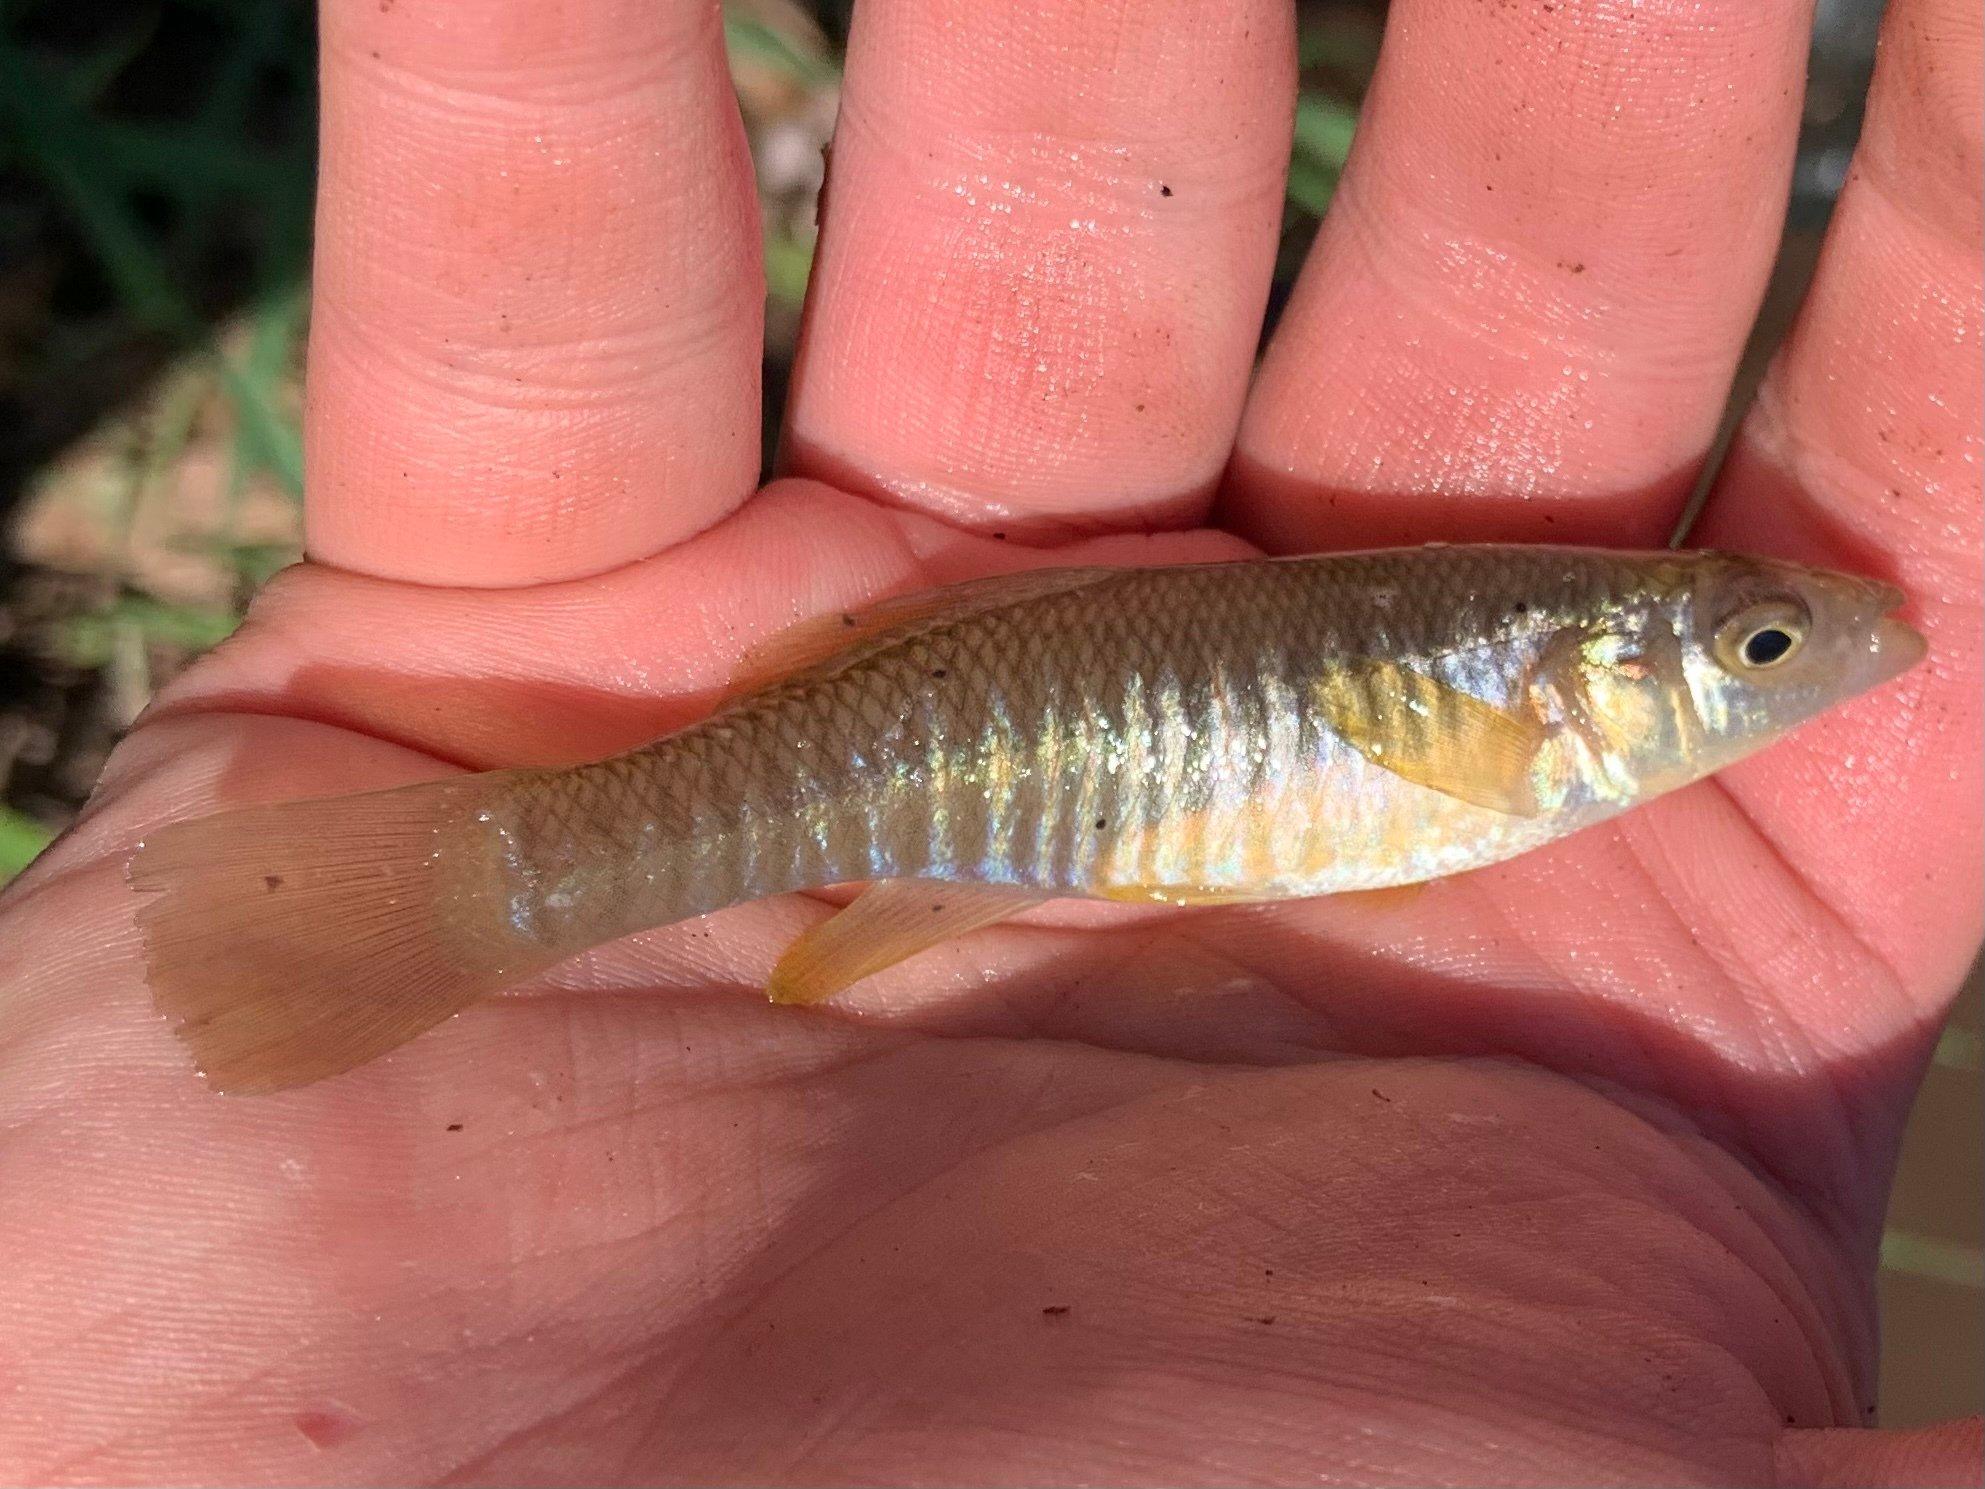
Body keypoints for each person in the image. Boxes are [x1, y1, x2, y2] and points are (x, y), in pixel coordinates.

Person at [1, 0, 1978, 1481]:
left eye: (1769, 635)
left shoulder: (1538, 707)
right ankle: (489, 886)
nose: (1830, 645)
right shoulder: (1530, 719)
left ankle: (506, 879)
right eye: (1770, 644)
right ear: (1591, 679)